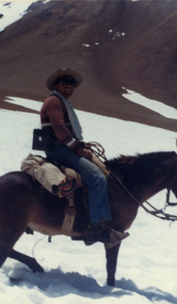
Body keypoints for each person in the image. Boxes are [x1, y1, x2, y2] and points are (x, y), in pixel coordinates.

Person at [40, 68, 128, 248]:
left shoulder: (61, 102)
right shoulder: (53, 101)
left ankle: (102, 223)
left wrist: (82, 145)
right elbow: (61, 131)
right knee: (97, 178)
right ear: (56, 84)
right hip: (59, 150)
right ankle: (96, 228)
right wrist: (80, 150)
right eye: (65, 83)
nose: (69, 87)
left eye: (72, 85)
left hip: (63, 148)